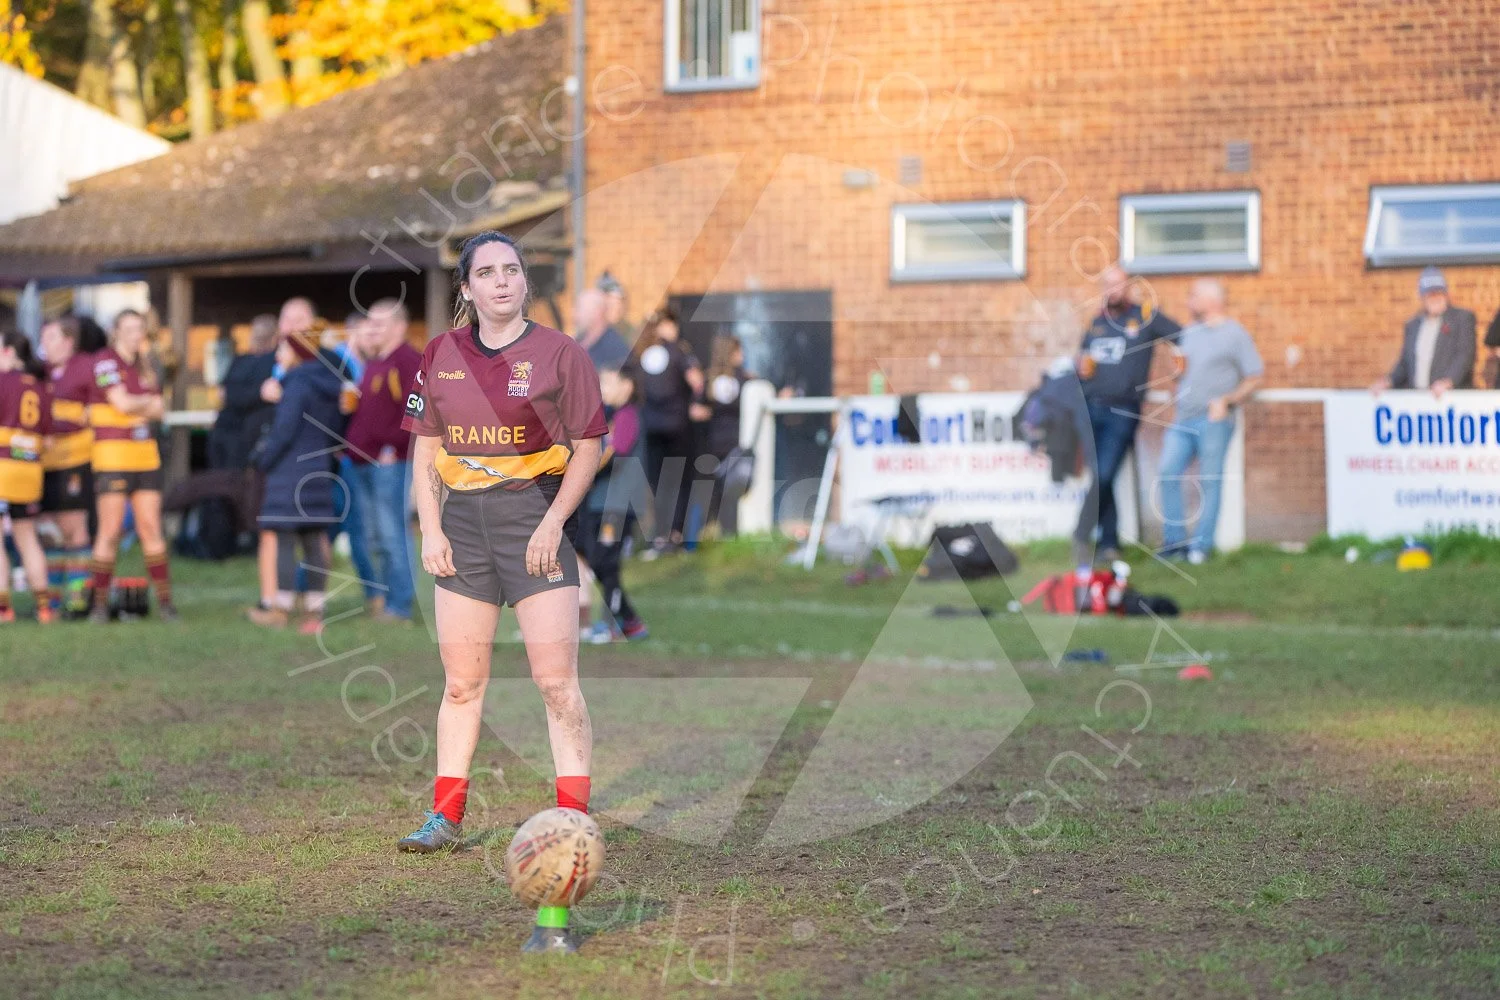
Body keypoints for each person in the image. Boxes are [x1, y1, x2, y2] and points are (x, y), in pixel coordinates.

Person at [398, 231, 606, 878]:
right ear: (467, 289)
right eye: (486, 273)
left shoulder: (560, 354)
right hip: (463, 530)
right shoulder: (440, 353)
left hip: (533, 522)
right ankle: (446, 818)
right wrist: (430, 528)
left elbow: (591, 446)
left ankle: (575, 819)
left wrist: (552, 523)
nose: (502, 282)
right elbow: (425, 450)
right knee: (461, 684)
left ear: (524, 283)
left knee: (555, 684)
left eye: (511, 271)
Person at [1073, 265, 1181, 568]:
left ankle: (1081, 533)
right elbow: (1082, 359)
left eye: (1117, 285)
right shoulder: (1097, 322)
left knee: (1105, 473)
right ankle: (1109, 544)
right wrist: (1079, 368)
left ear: (1129, 287)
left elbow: (1183, 338)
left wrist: (1181, 369)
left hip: (1123, 410)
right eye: (1107, 285)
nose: (1112, 290)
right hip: (1091, 406)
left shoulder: (1145, 316)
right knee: (1100, 477)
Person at [247, 323, 349, 633]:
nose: (278, 354)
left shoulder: (297, 383)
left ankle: (280, 609)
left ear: (297, 352)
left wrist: (262, 460)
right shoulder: (328, 383)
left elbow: (284, 431)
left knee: (286, 539)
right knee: (313, 540)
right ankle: (315, 613)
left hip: (290, 471)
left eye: (283, 348)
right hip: (318, 467)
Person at [1157, 279, 1264, 564]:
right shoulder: (1189, 333)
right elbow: (1183, 374)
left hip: (1214, 420)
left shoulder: (1235, 334)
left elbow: (1254, 376)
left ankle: (1201, 548)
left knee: (1210, 482)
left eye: (1194, 296)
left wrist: (1227, 400)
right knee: (1167, 473)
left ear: (1212, 300)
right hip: (1183, 418)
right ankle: (1175, 544)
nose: (1188, 300)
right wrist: (1176, 375)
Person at [86, 309, 178, 622]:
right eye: (128, 329)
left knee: (151, 527)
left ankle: (166, 605)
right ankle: (98, 606)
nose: (135, 335)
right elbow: (122, 403)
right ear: (115, 331)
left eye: (139, 328)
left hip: (146, 457)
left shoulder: (148, 365)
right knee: (110, 530)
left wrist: (142, 407)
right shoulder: (105, 361)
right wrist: (143, 406)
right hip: (113, 457)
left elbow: (161, 409)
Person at [345, 299, 421, 622]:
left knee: (392, 533)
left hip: (390, 463)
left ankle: (399, 604)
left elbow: (416, 412)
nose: (372, 329)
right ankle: (386, 599)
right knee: (375, 535)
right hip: (362, 462)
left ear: (399, 327)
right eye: (370, 323)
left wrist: (394, 446)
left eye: (379, 323)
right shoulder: (376, 362)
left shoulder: (408, 361)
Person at [577, 364, 648, 643]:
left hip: (618, 504)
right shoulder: (606, 416)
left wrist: (584, 470)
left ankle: (622, 623)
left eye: (608, 383)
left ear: (627, 386)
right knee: (597, 559)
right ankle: (621, 623)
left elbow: (614, 453)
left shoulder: (627, 415)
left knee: (606, 562)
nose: (602, 390)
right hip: (599, 503)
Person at [633, 306, 704, 553]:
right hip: (677, 426)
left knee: (657, 481)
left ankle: (660, 535)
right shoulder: (679, 351)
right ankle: (675, 533)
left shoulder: (642, 353)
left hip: (651, 426)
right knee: (679, 480)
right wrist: (695, 403)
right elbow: (697, 381)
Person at [38, 316, 96, 615]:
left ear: (68, 341)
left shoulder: (85, 366)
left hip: (75, 459)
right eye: (42, 338)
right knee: (49, 529)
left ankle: (77, 597)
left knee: (75, 527)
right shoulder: (40, 372)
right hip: (44, 463)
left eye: (50, 338)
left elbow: (94, 410)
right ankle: (54, 599)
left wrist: (68, 419)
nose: (44, 345)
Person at [0, 330, 56, 623]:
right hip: (30, 472)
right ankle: (44, 607)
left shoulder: (2, 381)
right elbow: (48, 440)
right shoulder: (42, 388)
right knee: (27, 538)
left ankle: (4, 609)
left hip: (2, 469)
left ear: (9, 352)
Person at [1370, 267, 1477, 395]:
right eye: (1430, 294)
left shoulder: (1462, 319)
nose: (1435, 297)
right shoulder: (1413, 325)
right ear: (1422, 297)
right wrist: (1388, 381)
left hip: (1449, 399)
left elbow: (1465, 356)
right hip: (1419, 400)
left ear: (1446, 294)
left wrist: (1448, 382)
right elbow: (1405, 363)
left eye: (1439, 292)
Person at [693, 334, 753, 538]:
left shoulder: (710, 379)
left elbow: (696, 409)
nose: (742, 355)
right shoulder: (745, 379)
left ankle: (714, 529)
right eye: (738, 351)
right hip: (736, 443)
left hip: (714, 442)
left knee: (717, 489)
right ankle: (729, 531)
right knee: (734, 490)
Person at [209, 314, 278, 471]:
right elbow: (223, 393)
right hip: (223, 430)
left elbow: (263, 393)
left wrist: (242, 394)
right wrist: (256, 392)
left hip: (247, 435)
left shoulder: (274, 361)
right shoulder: (241, 359)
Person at [574, 287, 631, 371]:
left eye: (580, 310)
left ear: (597, 312)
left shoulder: (615, 348)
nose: (575, 316)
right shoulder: (578, 340)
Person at [598, 271, 637, 345]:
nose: (617, 308)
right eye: (612, 305)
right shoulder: (594, 331)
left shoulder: (629, 331)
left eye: (619, 303)